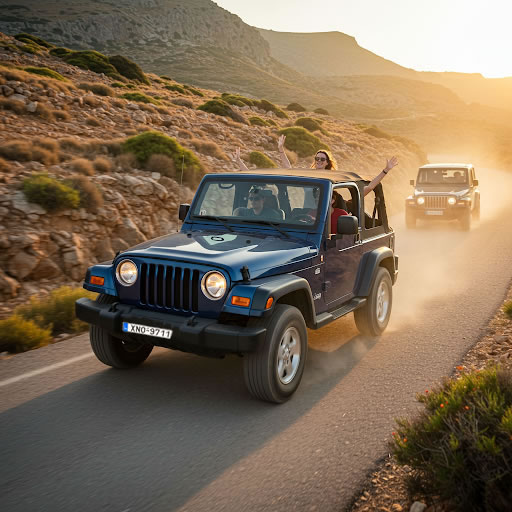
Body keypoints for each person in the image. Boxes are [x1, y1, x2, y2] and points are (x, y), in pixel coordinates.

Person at [277, 134, 398, 197]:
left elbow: (369, 187)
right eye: (317, 158)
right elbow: (289, 169)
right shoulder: (309, 176)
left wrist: (386, 170)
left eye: (322, 159)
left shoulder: (333, 178)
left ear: (327, 162)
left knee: (365, 191)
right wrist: (281, 149)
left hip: (324, 216)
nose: (319, 161)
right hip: (308, 216)